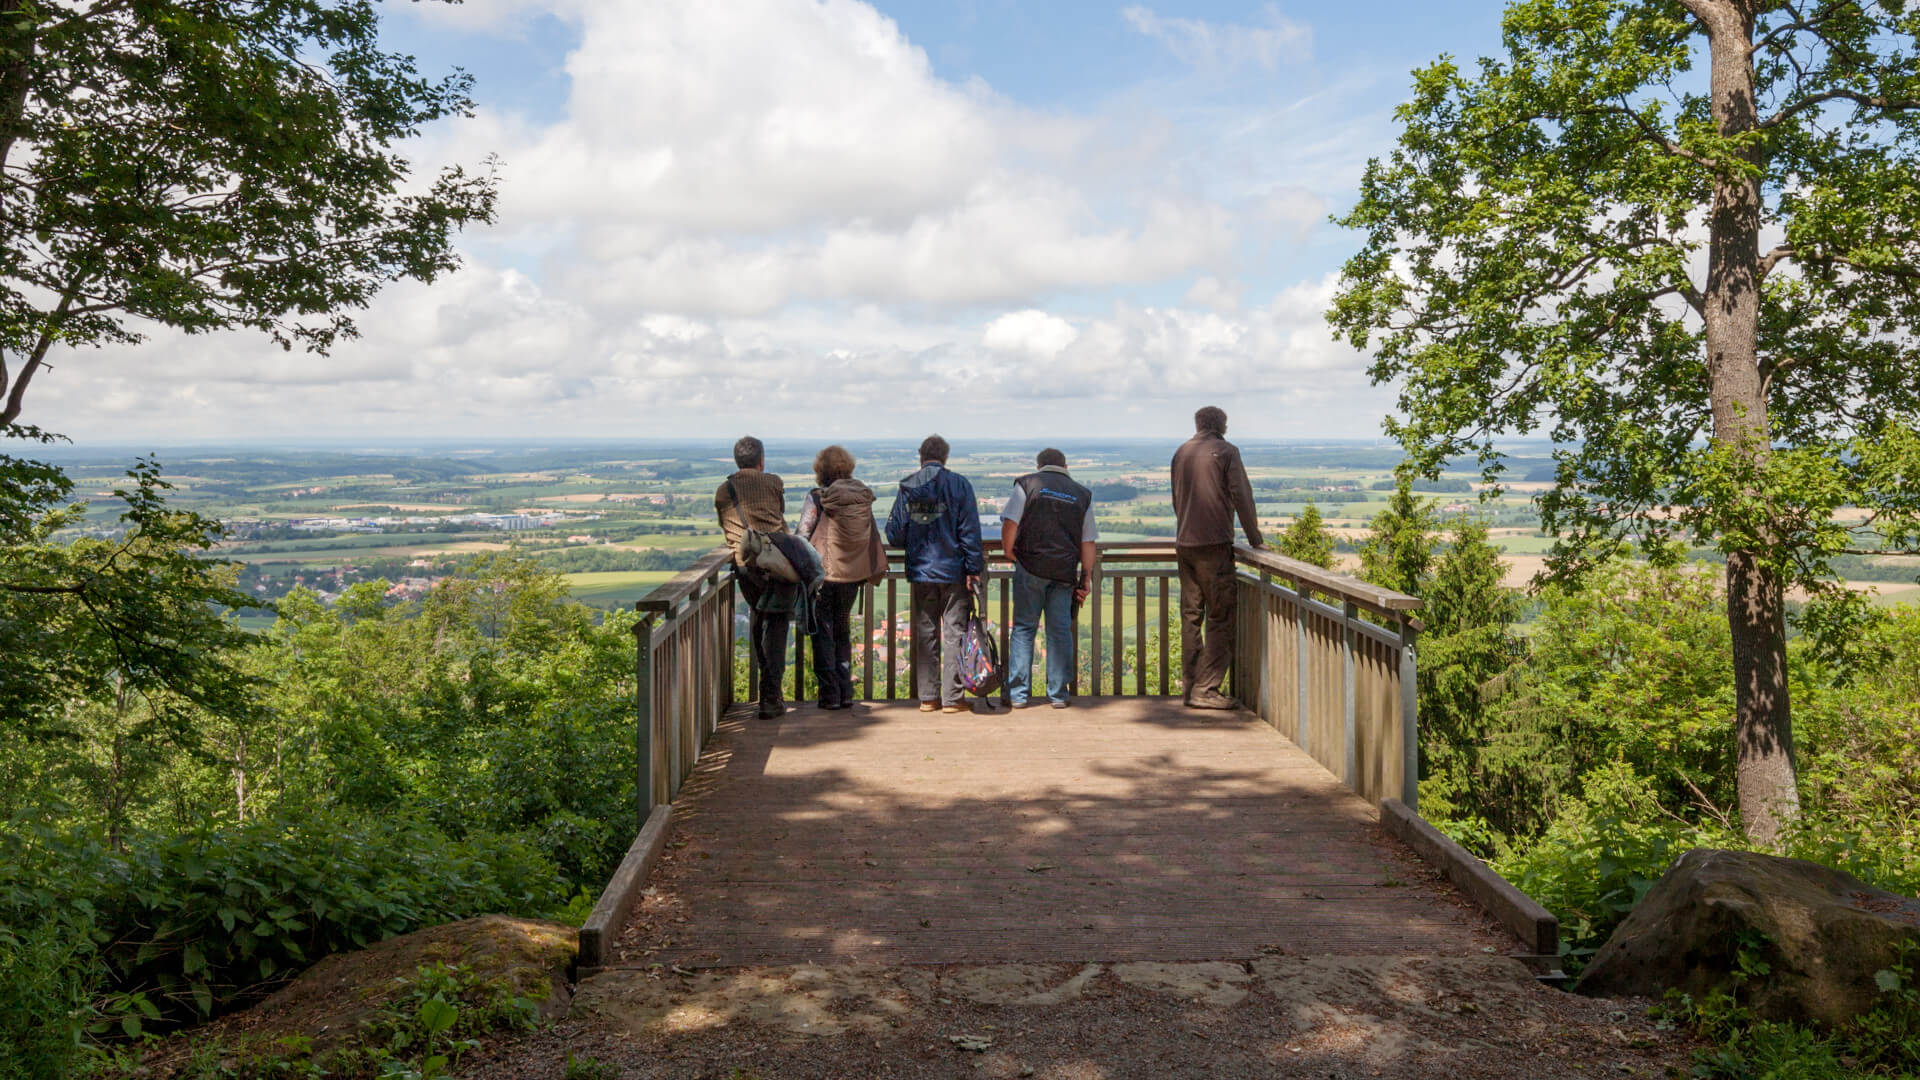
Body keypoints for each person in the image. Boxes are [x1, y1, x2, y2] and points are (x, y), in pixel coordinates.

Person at [1169, 406, 1264, 709]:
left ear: (1198, 424)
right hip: (1214, 544)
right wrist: (1255, 540)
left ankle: (1190, 685)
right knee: (1221, 616)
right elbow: (1242, 497)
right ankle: (1206, 689)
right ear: (1221, 425)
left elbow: (1176, 498)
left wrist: (1186, 528)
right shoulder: (1226, 452)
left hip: (1185, 543)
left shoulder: (1181, 452)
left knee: (1191, 615)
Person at [885, 434, 984, 714]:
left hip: (921, 571)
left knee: (926, 632)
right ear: (945, 457)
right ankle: (953, 698)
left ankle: (928, 698)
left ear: (921, 456)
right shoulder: (960, 485)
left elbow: (894, 534)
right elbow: (970, 532)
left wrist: (917, 537)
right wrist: (973, 569)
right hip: (955, 571)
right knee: (955, 633)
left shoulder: (908, 487)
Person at [1001, 448, 1096, 709]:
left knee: (1024, 628)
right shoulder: (1082, 494)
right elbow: (1088, 542)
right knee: (1059, 632)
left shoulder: (1027, 484)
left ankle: (1019, 695)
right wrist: (1085, 576)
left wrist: (1009, 552)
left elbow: (1010, 522)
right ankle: (1058, 694)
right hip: (1064, 573)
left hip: (1030, 566)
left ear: (1039, 465)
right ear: (1065, 466)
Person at [798, 444, 882, 710]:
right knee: (842, 630)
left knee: (823, 632)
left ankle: (829, 694)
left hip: (823, 575)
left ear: (821, 470)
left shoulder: (818, 497)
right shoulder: (862, 496)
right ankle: (846, 691)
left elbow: (802, 534)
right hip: (853, 575)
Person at [715, 435, 793, 719]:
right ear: (761, 460)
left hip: (746, 566)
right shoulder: (773, 482)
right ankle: (771, 697)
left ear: (737, 461)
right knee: (777, 625)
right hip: (778, 562)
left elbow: (726, 527)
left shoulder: (724, 491)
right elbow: (779, 514)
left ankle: (770, 694)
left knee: (760, 621)